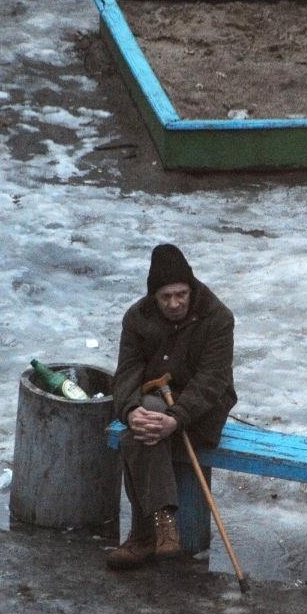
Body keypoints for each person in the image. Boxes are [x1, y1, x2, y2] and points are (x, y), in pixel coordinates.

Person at [108, 244, 237, 570]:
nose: (175, 303)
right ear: (155, 297)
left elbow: (212, 380)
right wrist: (129, 410)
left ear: (191, 290)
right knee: (142, 424)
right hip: (154, 399)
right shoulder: (138, 319)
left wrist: (176, 419)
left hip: (205, 409)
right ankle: (163, 526)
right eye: (166, 297)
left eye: (181, 294)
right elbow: (126, 374)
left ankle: (144, 536)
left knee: (139, 434)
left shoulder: (217, 317)